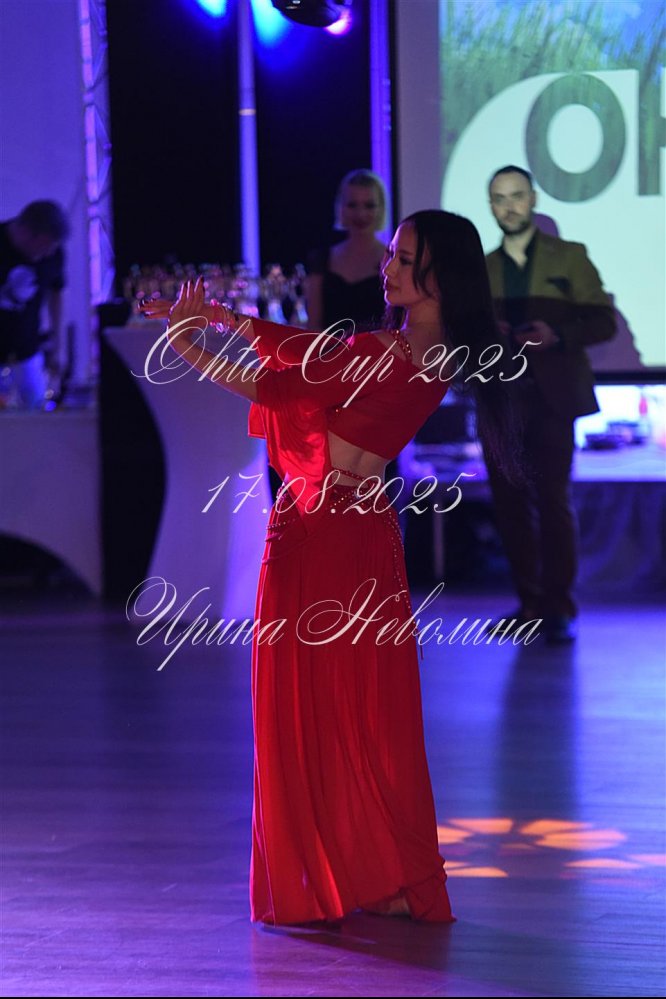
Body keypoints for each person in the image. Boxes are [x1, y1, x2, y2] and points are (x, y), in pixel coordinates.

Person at [141, 209, 517, 925]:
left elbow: (278, 387)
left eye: (405, 258)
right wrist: (222, 318)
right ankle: (386, 876)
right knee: (364, 711)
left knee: (314, 705)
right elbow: (310, 351)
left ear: (442, 275)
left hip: (317, 533)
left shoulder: (388, 350)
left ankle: (337, 875)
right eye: (393, 254)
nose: (388, 267)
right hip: (366, 532)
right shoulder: (433, 352)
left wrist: (187, 341)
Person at [484, 166, 617, 644]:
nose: (510, 206)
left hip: (553, 398)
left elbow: (604, 322)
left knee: (553, 500)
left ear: (534, 199)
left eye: (517, 195)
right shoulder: (483, 266)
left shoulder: (570, 256)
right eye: (500, 198)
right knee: (509, 503)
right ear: (491, 205)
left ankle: (557, 605)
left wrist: (556, 334)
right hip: (501, 399)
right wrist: (491, 332)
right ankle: (529, 603)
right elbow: (463, 332)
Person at [0, 200, 69, 409]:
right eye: (43, 246)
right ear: (24, 232)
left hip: (27, 350)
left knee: (36, 410)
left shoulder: (53, 253)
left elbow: (56, 293)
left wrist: (57, 345)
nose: (47, 254)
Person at [305, 169, 387, 333]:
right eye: (352, 205)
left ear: (381, 209)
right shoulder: (321, 259)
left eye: (369, 205)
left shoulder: (393, 259)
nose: (360, 214)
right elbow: (313, 326)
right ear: (340, 208)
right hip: (329, 349)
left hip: (380, 349)